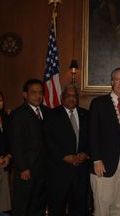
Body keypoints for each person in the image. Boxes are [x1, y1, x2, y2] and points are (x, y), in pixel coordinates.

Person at [89, 67, 120, 216]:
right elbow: (92, 134)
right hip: (102, 165)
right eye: (117, 79)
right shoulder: (98, 103)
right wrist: (96, 159)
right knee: (102, 208)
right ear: (112, 82)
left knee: (119, 208)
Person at [44, 84, 90, 216]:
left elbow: (92, 138)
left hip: (81, 173)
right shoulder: (51, 115)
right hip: (59, 171)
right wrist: (64, 157)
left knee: (80, 209)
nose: (71, 99)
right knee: (57, 209)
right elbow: (48, 141)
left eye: (74, 96)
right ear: (61, 97)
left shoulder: (86, 114)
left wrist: (86, 153)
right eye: (68, 96)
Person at [9, 78, 48, 216]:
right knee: (22, 206)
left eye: (40, 92)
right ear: (25, 95)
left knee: (38, 205)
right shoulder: (18, 114)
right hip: (26, 170)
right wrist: (23, 167)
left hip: (43, 169)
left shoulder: (46, 111)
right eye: (34, 92)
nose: (38, 96)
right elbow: (15, 144)